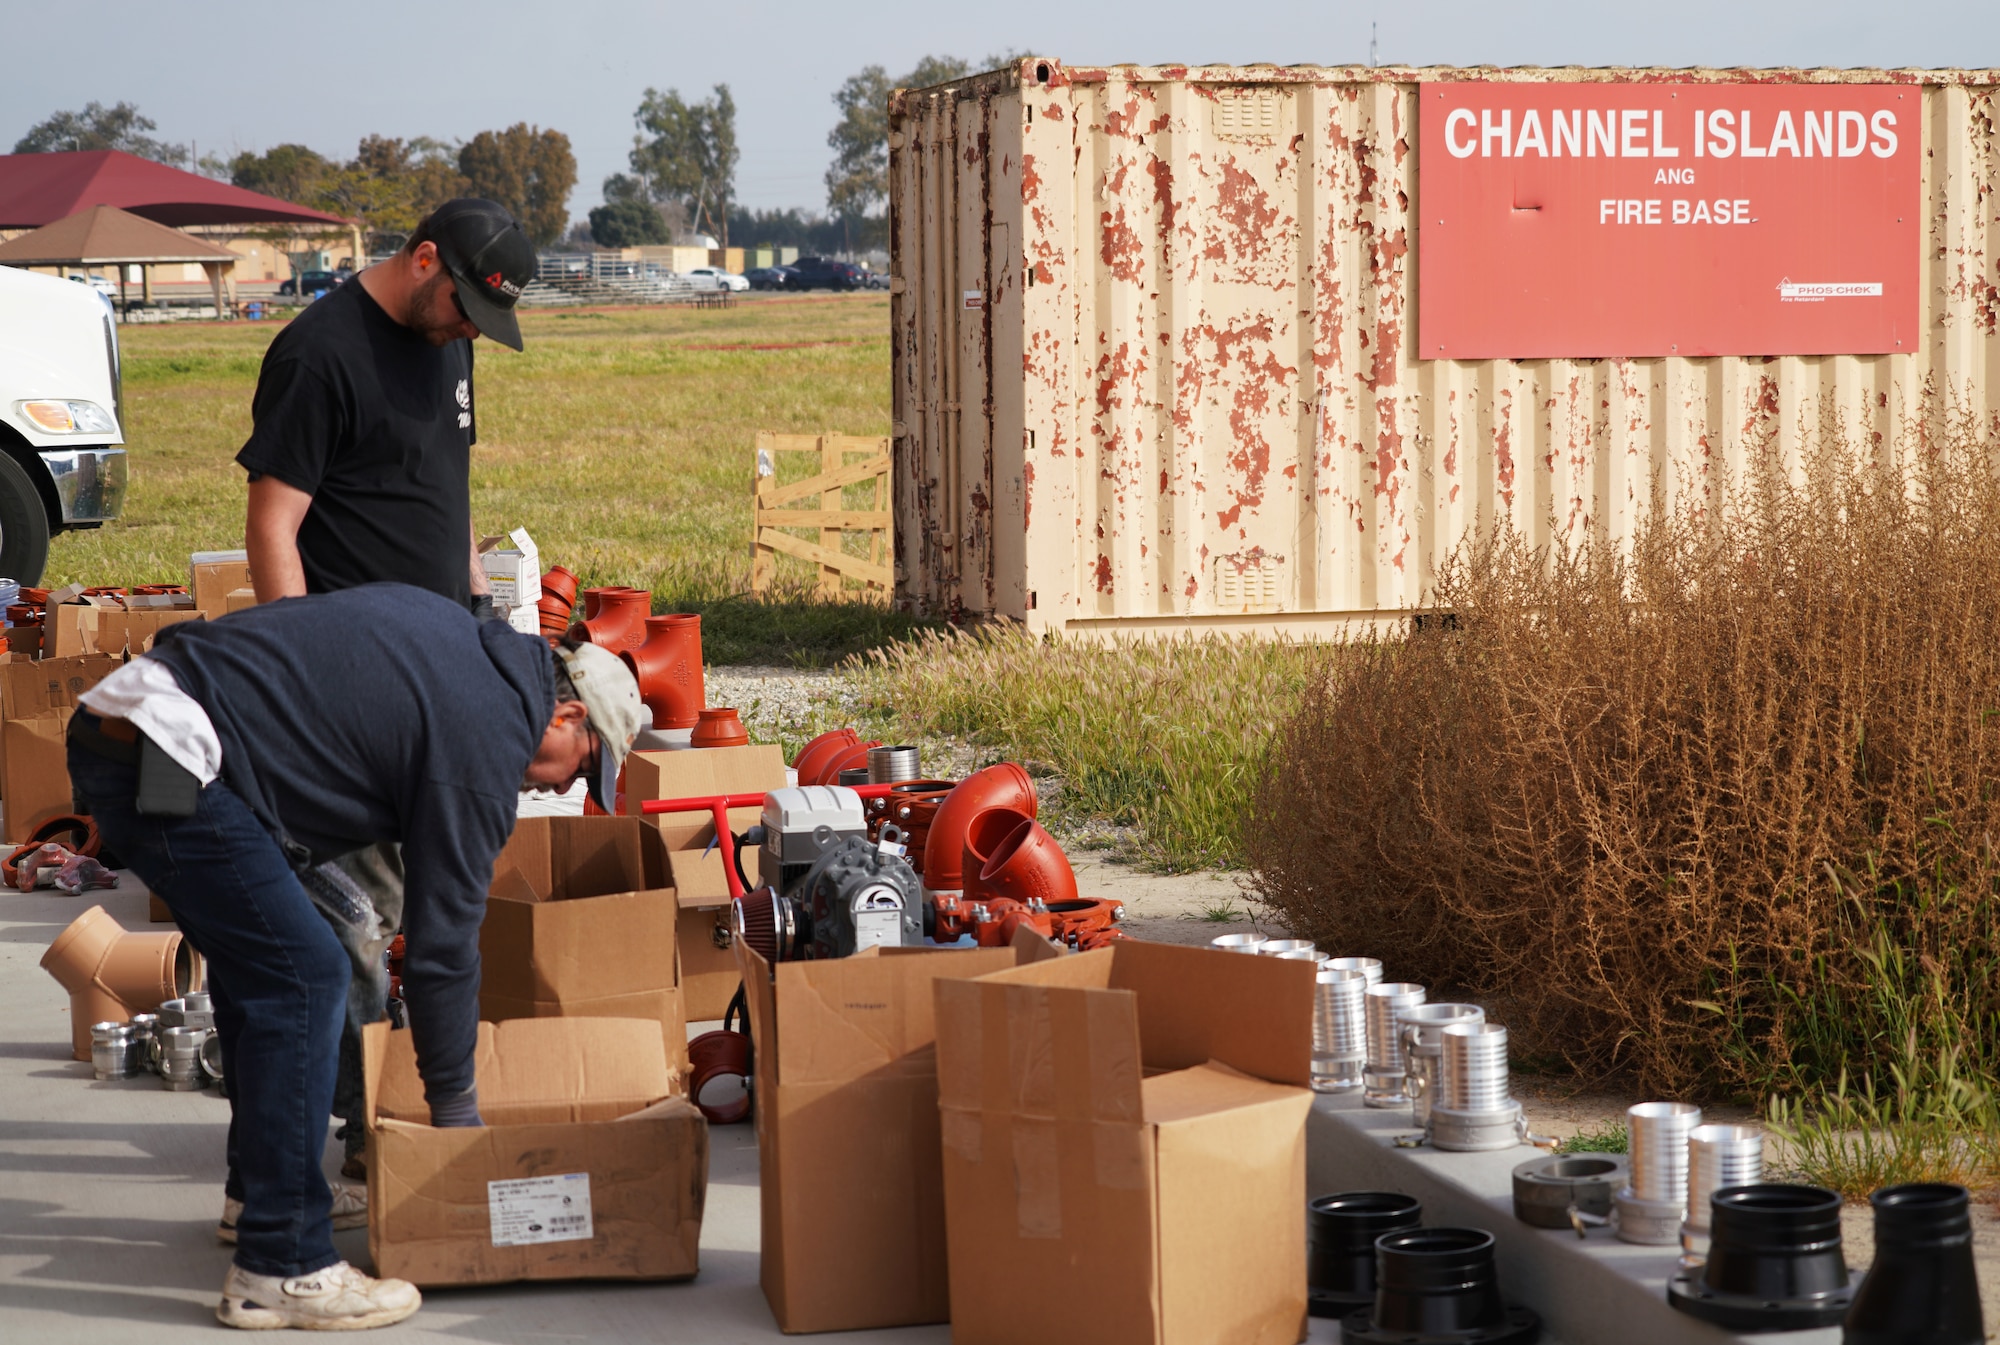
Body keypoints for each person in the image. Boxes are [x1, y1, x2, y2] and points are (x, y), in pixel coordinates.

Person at [67, 584, 643, 1331]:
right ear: (565, 713)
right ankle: (283, 1264)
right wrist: (455, 1122)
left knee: (266, 967)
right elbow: (443, 949)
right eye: (584, 762)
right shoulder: (488, 734)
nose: (569, 785)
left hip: (140, 723)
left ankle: (259, 1197)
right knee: (305, 976)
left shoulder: (474, 656)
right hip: (169, 748)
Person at [236, 198, 536, 1183]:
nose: (466, 333)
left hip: (442, 684)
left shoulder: (451, 342)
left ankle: (386, 1122)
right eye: (462, 310)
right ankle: (363, 1152)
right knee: (356, 931)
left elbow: (445, 493)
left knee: (426, 911)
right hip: (352, 702)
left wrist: (485, 616)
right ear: (422, 261)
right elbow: (274, 524)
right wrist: (301, 670)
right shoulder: (319, 353)